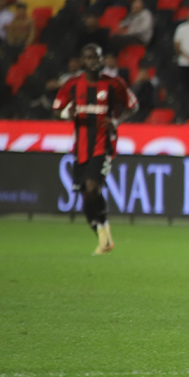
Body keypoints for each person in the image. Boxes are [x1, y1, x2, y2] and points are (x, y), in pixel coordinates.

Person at [52, 44, 138, 255]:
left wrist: (117, 121)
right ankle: (103, 233)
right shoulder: (71, 85)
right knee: (86, 195)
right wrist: (66, 114)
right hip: (80, 147)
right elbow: (56, 110)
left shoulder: (114, 84)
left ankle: (104, 233)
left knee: (92, 188)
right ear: (82, 62)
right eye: (89, 58)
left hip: (104, 144)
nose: (94, 61)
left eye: (97, 57)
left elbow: (133, 105)